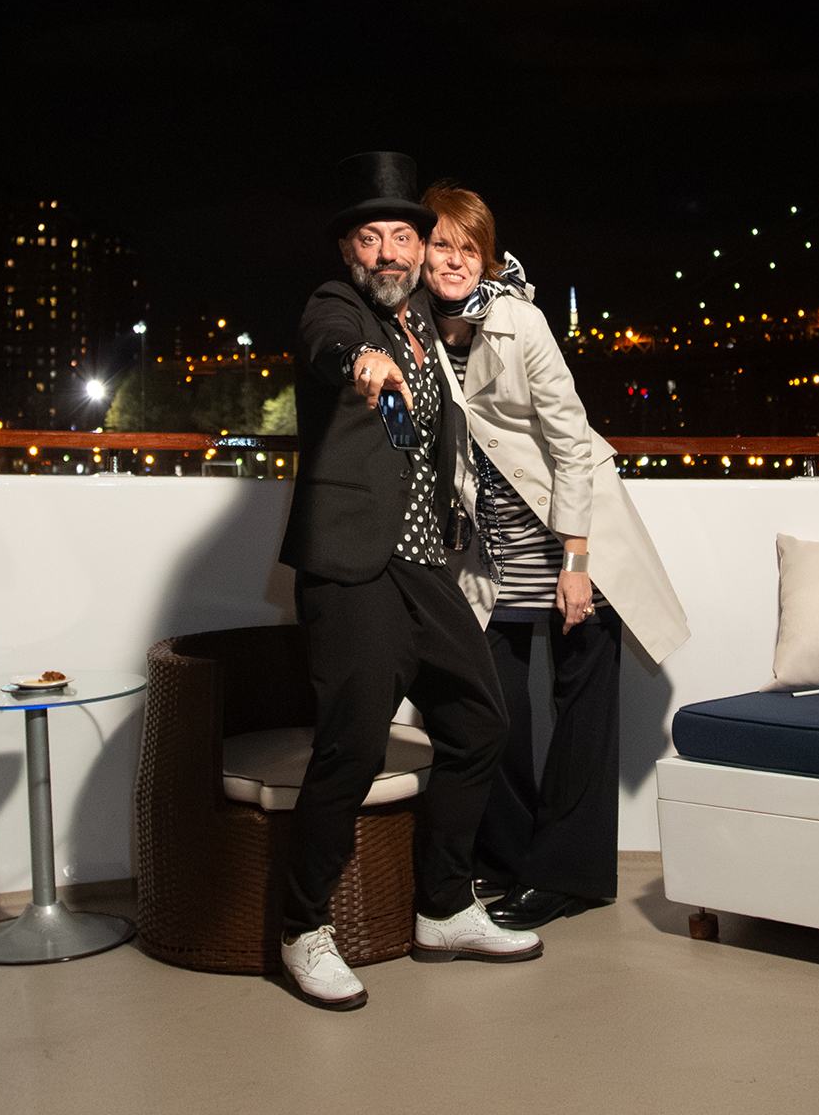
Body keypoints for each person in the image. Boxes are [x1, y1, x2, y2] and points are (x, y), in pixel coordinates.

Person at [272, 151, 541, 1010]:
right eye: (370, 237)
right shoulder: (338, 306)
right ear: (348, 248)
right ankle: (302, 927)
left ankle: (444, 905)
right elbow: (327, 344)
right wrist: (360, 363)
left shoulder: (427, 324)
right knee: (351, 744)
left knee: (481, 721)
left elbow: (494, 306)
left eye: (403, 237)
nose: (387, 252)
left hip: (426, 565)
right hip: (354, 567)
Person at [417, 185, 689, 929]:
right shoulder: (413, 328)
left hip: (573, 538)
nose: (454, 260)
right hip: (492, 553)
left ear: (487, 258)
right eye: (441, 244)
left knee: (583, 716)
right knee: (492, 712)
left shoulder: (521, 321)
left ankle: (568, 876)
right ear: (419, 251)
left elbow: (571, 442)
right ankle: (505, 862)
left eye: (469, 248)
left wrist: (576, 561)